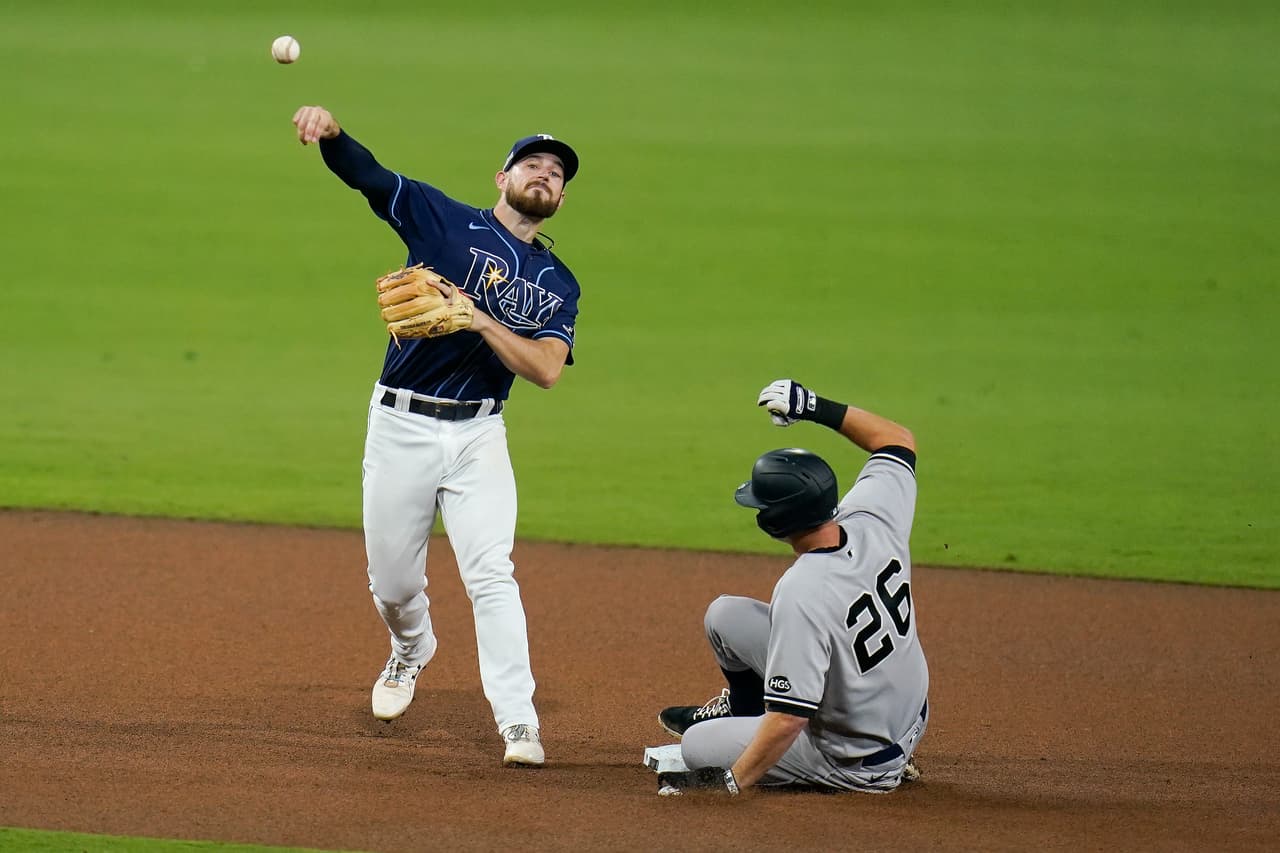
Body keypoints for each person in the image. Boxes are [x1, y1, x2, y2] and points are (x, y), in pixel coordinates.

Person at [291, 106, 583, 767]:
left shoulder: (558, 284)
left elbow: (544, 369)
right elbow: (368, 178)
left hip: (480, 436)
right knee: (392, 584)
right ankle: (411, 648)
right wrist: (333, 134)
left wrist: (478, 319)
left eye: (557, 172)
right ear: (502, 176)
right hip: (401, 424)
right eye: (533, 163)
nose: (545, 174)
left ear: (561, 198)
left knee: (492, 576)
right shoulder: (440, 216)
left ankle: (518, 722)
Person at [655, 379, 928, 796]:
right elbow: (898, 440)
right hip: (905, 710)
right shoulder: (873, 516)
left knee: (697, 747)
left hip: (859, 757)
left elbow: (788, 719)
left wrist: (730, 783)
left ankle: (858, 769)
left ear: (773, 524)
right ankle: (742, 711)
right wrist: (813, 406)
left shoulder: (803, 590)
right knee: (725, 615)